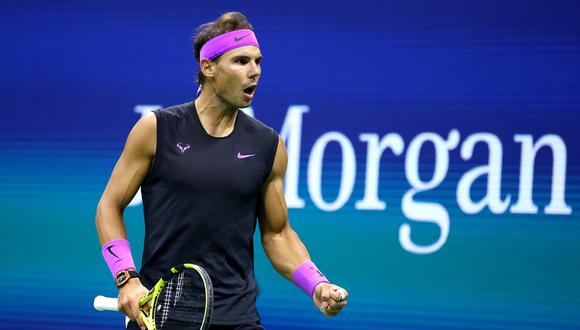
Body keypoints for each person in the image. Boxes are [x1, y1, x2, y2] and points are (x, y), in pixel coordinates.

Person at [96, 12, 348, 329]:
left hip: (238, 318)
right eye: (241, 61)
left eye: (258, 61)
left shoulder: (268, 144)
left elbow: (278, 233)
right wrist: (126, 278)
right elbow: (109, 205)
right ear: (209, 67)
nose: (254, 71)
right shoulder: (157, 129)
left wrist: (317, 284)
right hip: (161, 316)